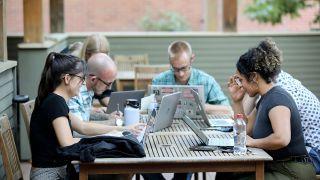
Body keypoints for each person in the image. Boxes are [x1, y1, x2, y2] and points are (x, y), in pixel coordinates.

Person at [29, 52, 143, 179]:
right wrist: (106, 140)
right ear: (67, 79)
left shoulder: (56, 101)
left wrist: (121, 130)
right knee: (121, 173)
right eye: (81, 78)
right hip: (50, 174)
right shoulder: (55, 102)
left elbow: (82, 127)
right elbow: (68, 143)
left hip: (59, 170)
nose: (83, 83)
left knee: (121, 172)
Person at [217, 38, 316, 179]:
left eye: (240, 79)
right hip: (276, 165)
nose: (240, 85)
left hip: (292, 171)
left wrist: (253, 142)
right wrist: (237, 101)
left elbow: (282, 138)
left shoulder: (277, 99)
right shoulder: (265, 98)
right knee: (225, 173)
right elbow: (245, 130)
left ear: (254, 77)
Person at [152, 40, 230, 114]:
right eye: (175, 69)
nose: (181, 74)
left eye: (184, 68)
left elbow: (227, 109)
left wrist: (200, 106)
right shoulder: (159, 81)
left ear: (192, 59)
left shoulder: (207, 81)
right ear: (170, 62)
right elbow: (148, 109)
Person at [81, 34, 112, 107]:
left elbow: (103, 93)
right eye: (97, 58)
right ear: (86, 55)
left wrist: (112, 106)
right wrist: (93, 110)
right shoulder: (75, 71)